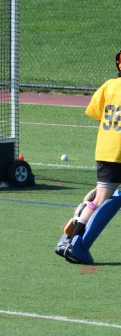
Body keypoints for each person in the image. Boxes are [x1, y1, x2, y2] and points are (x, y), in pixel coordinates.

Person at [56, 50, 121, 264]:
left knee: (98, 198)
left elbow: (96, 112)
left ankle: (67, 239)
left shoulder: (109, 85)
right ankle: (79, 246)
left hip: (105, 147)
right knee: (108, 199)